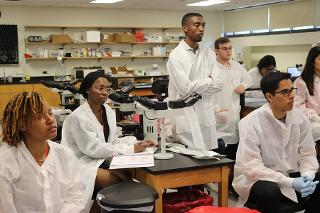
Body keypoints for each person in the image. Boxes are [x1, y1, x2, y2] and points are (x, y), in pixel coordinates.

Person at [61, 71, 156, 209]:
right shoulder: (78, 117)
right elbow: (93, 149)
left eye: (107, 88)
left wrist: (135, 143)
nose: (105, 92)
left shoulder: (108, 111)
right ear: (87, 89)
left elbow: (112, 140)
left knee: (128, 176)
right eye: (100, 88)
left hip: (99, 159)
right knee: (114, 180)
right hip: (81, 162)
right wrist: (130, 149)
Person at [233, 72, 320, 213]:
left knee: (315, 181)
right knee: (269, 191)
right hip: (257, 178)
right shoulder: (251, 123)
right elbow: (251, 166)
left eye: (292, 90)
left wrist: (307, 176)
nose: (292, 96)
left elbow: (307, 154)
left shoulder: (300, 118)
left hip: (289, 172)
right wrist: (290, 182)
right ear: (269, 96)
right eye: (285, 92)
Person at [0, 92, 83, 213]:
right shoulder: (5, 162)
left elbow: (74, 198)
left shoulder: (65, 155)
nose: (51, 120)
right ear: (22, 125)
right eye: (39, 116)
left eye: (50, 113)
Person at [166, 12, 222, 151]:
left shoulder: (208, 52)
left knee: (209, 160)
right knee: (189, 162)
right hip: (185, 116)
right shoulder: (176, 55)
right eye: (197, 25)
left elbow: (219, 84)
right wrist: (210, 80)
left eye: (203, 25)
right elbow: (185, 89)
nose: (201, 29)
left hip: (205, 115)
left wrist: (196, 86)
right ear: (185, 28)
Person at [213, 37, 249, 160]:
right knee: (219, 153)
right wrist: (216, 109)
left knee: (233, 153)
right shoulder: (211, 68)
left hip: (234, 115)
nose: (228, 51)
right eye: (224, 49)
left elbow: (249, 79)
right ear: (216, 51)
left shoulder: (236, 66)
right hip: (217, 115)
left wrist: (243, 85)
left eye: (230, 48)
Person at [294, 46, 320, 143]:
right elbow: (297, 106)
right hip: (311, 120)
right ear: (312, 62)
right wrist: (316, 117)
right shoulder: (301, 82)